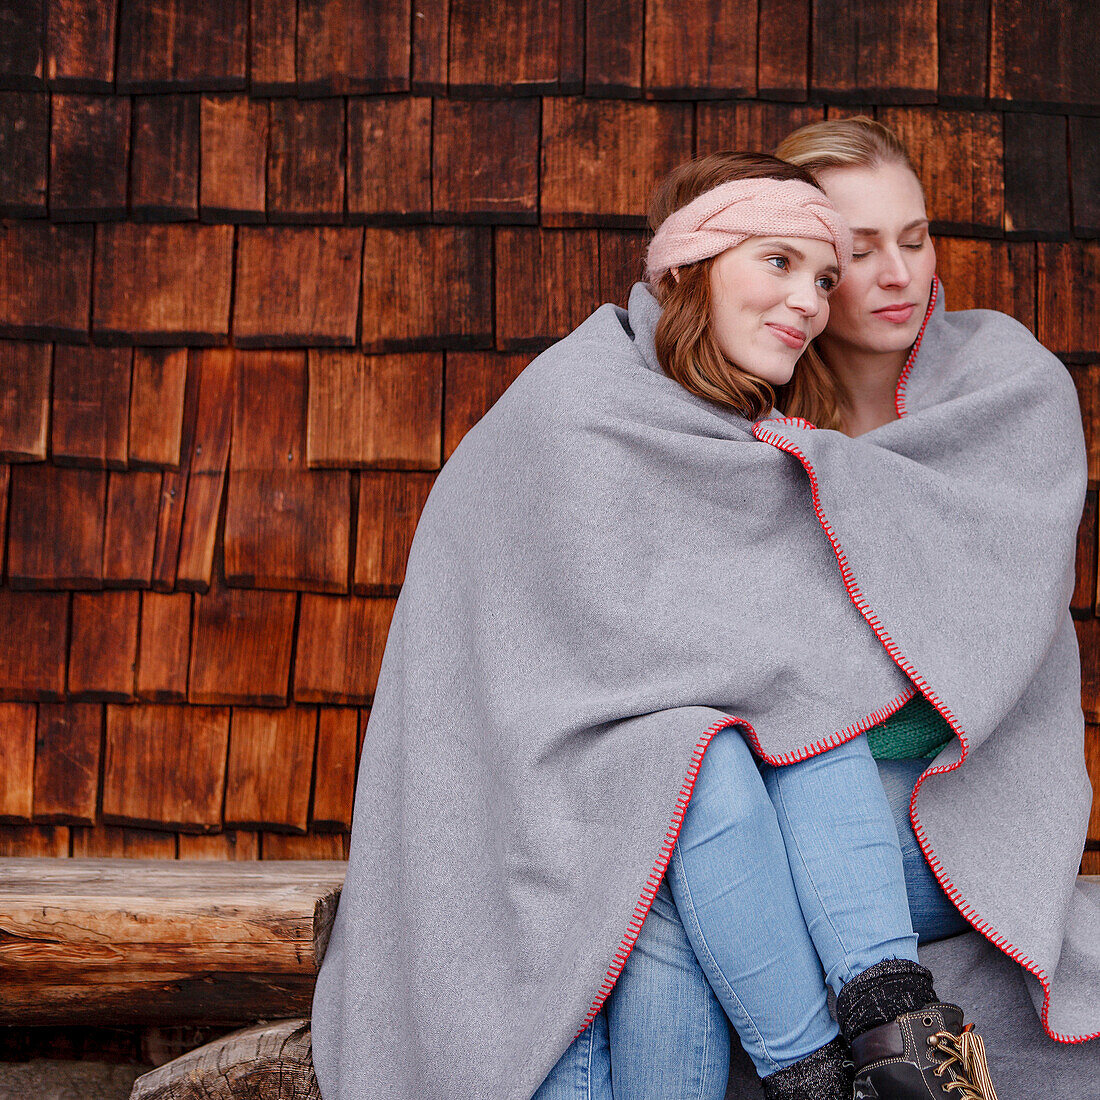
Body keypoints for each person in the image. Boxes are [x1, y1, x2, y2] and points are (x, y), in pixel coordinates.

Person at [310, 124, 1091, 1100]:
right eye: (846, 253)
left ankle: (878, 1028)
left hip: (950, 808)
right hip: (712, 792)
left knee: (751, 767)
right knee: (685, 797)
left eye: (917, 236)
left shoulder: (999, 390)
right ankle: (881, 1064)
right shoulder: (721, 425)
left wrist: (791, 682)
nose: (890, 274)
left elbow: (964, 663)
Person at [533, 150, 993, 1100]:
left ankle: (891, 1038)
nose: (814, 299)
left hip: (750, 797)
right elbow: (563, 672)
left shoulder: (753, 444)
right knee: (696, 770)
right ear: (690, 267)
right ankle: (853, 1069)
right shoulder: (575, 407)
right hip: (546, 805)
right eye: (779, 262)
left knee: (754, 741)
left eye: (824, 277)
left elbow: (786, 671)